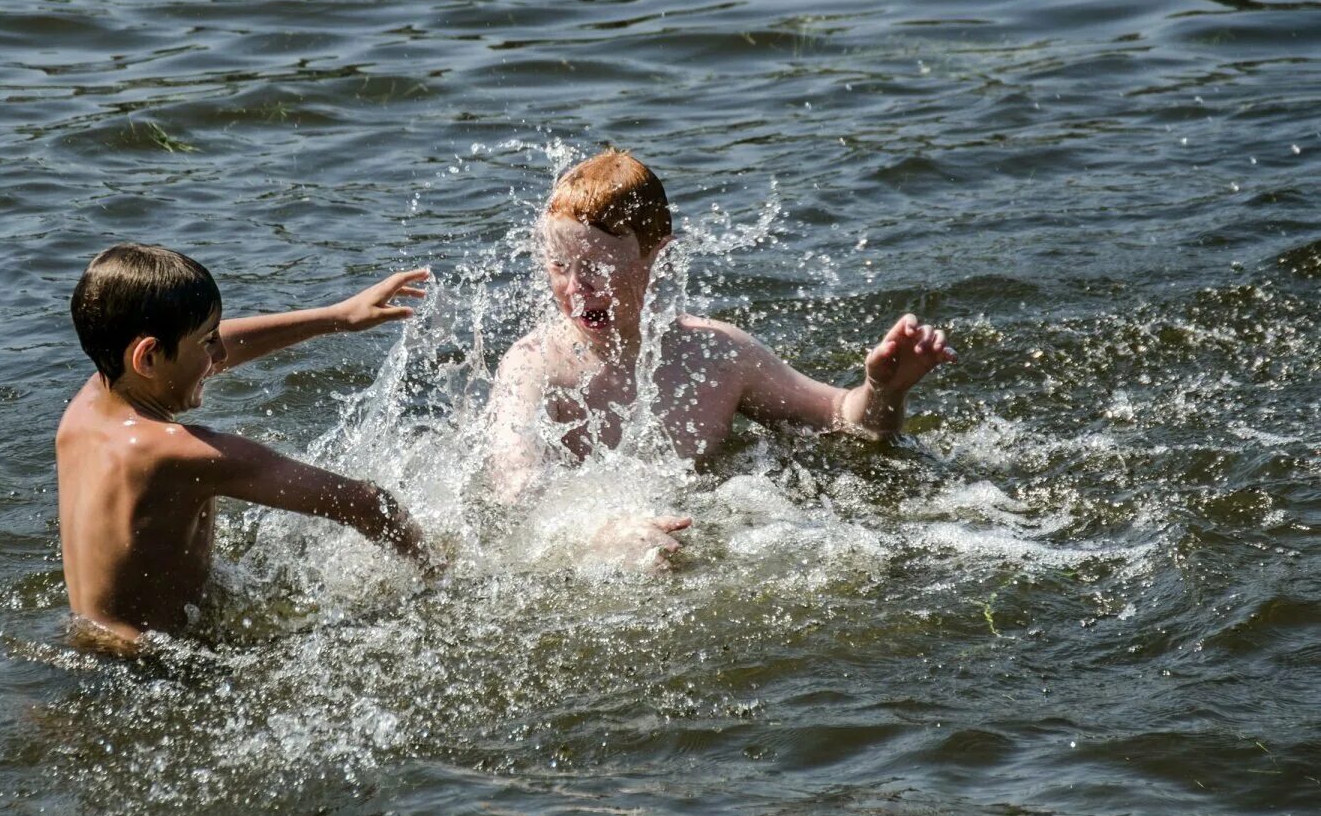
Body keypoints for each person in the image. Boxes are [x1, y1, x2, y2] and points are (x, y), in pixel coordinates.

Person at [485, 150, 957, 568]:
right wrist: (599, 533)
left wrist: (884, 391)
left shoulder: (716, 355)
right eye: (559, 266)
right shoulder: (535, 364)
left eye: (597, 267)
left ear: (659, 261)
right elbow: (514, 488)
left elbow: (846, 423)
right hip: (586, 564)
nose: (575, 288)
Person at [57, 243, 434, 646]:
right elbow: (365, 504)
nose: (220, 356)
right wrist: (438, 575)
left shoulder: (88, 407)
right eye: (207, 343)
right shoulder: (181, 454)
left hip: (87, 642)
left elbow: (214, 344)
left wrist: (337, 317)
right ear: (147, 358)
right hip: (155, 668)